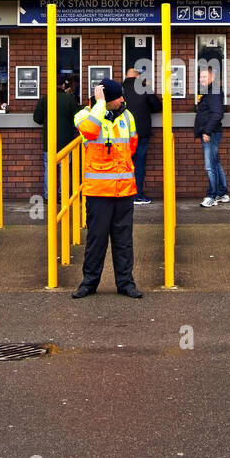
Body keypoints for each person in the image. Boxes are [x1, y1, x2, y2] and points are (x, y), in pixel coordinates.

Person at [70, 78, 141, 298]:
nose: (122, 99)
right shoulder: (84, 115)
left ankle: (126, 283)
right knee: (96, 240)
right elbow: (90, 131)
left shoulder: (127, 116)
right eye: (117, 97)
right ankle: (89, 283)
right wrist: (99, 104)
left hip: (124, 190)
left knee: (124, 241)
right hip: (99, 192)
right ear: (105, 99)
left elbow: (132, 145)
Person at [32, 75, 80, 197]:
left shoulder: (45, 99)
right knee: (64, 169)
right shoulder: (69, 99)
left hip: (49, 141)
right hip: (66, 142)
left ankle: (49, 195)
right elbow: (78, 118)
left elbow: (37, 119)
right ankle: (63, 195)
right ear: (64, 85)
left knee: (49, 169)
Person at [121, 65, 162, 204]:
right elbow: (157, 106)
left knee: (124, 164)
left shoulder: (119, 89)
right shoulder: (144, 88)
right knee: (139, 164)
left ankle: (123, 194)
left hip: (122, 134)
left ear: (126, 76)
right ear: (138, 77)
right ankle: (137, 195)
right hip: (140, 133)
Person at [194, 66, 229, 207]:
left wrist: (207, 131)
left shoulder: (213, 92)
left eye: (204, 76)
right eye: (200, 77)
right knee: (215, 163)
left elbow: (217, 114)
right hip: (211, 132)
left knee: (210, 166)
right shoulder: (209, 92)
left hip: (211, 134)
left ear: (212, 78)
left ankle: (212, 196)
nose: (202, 79)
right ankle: (222, 193)